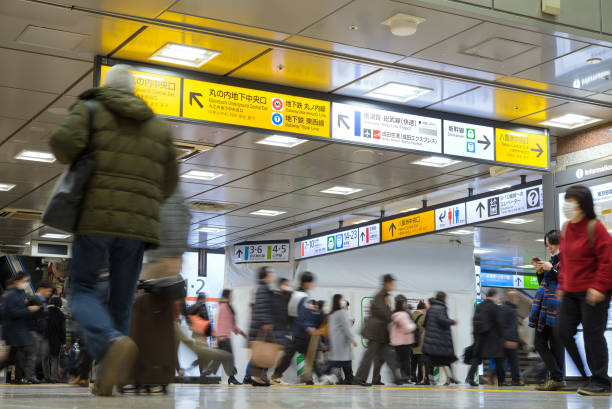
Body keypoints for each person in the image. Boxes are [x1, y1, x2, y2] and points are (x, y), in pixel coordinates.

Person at [49, 64, 178, 396]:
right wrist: (143, 203)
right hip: (137, 228)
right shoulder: (159, 127)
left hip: (95, 219)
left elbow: (63, 144)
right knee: (122, 300)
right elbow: (169, 182)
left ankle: (109, 342)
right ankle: (113, 372)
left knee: (82, 290)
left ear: (107, 86)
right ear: (134, 90)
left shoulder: (91, 109)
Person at [557, 185, 612, 396]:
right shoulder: (566, 228)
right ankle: (586, 376)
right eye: (566, 200)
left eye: (572, 201)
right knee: (563, 332)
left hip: (593, 292)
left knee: (592, 336)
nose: (567, 206)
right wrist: (562, 284)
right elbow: (565, 260)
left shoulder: (594, 227)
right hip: (570, 292)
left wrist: (599, 287)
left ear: (583, 204)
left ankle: (601, 381)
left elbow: (607, 261)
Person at [530, 229, 587, 391]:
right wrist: (540, 272)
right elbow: (546, 283)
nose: (550, 248)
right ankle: (556, 376)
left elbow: (566, 279)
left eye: (551, 245)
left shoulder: (567, 259)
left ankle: (557, 377)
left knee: (554, 344)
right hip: (547, 307)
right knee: (541, 343)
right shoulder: (554, 260)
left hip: (560, 306)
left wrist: (552, 270)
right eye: (548, 246)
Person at [354, 274, 405, 386]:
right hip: (375, 332)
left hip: (381, 333)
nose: (393, 285)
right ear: (386, 283)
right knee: (369, 355)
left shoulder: (384, 295)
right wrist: (395, 320)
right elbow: (383, 312)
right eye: (392, 283)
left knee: (389, 355)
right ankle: (359, 378)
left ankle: (397, 378)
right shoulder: (380, 295)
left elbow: (385, 313)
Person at [271, 272, 319, 385]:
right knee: (289, 355)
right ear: (306, 282)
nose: (312, 284)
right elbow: (300, 314)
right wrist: (308, 327)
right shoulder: (301, 296)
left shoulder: (299, 294)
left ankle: (307, 377)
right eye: (311, 282)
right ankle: (276, 376)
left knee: (308, 356)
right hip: (297, 332)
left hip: (299, 332)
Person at [0, 272, 40, 383]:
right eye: (25, 281)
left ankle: (18, 378)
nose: (26, 283)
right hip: (13, 331)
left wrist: (26, 306)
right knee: (14, 357)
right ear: (17, 281)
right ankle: (18, 378)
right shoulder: (10, 295)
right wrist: (28, 309)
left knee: (15, 357)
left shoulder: (20, 293)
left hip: (19, 331)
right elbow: (12, 313)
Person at [466, 289, 505, 387]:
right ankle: (501, 381)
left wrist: (475, 336)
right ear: (494, 296)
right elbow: (499, 323)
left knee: (477, 358)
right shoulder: (494, 307)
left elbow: (474, 321)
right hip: (493, 338)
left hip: (480, 337)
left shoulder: (479, 306)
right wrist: (502, 336)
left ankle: (470, 377)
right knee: (499, 359)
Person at [248, 267, 277, 386]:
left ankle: (258, 377)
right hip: (262, 327)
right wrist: (266, 322)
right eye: (272, 272)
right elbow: (263, 307)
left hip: (261, 325)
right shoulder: (263, 288)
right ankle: (256, 378)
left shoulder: (262, 287)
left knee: (263, 353)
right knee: (263, 353)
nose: (273, 275)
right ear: (266, 275)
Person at [422, 292, 459, 386]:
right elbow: (442, 320)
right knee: (447, 358)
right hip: (440, 339)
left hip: (430, 340)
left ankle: (429, 378)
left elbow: (424, 324)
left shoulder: (430, 309)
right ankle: (452, 377)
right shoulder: (442, 307)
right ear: (443, 298)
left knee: (430, 360)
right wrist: (452, 322)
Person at [212, 289, 247, 385]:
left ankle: (230, 377)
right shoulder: (224, 306)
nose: (233, 296)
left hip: (222, 337)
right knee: (227, 358)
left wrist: (240, 332)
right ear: (228, 295)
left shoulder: (225, 306)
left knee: (222, 359)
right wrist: (221, 336)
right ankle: (231, 377)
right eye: (231, 295)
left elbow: (230, 323)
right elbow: (221, 323)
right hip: (223, 337)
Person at [25, 280, 53, 383]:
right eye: (48, 291)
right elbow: (26, 311)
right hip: (34, 330)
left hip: (41, 331)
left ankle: (30, 374)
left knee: (42, 353)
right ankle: (30, 376)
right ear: (41, 289)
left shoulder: (43, 300)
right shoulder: (34, 298)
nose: (49, 293)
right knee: (33, 354)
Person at [327, 294, 357, 384]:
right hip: (341, 342)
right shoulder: (341, 313)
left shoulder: (333, 313)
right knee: (342, 362)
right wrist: (353, 340)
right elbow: (346, 328)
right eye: (342, 300)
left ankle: (345, 378)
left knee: (340, 362)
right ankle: (345, 378)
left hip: (336, 342)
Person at [389, 295, 416, 381]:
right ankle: (405, 377)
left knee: (398, 361)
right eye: (405, 302)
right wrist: (413, 325)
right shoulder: (403, 314)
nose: (406, 304)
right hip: (404, 341)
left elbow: (389, 327)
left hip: (395, 341)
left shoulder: (393, 314)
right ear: (402, 303)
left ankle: (399, 377)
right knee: (405, 361)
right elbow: (407, 328)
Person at [500, 291, 523, 386]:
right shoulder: (508, 309)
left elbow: (513, 327)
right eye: (517, 297)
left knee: (507, 361)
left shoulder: (508, 308)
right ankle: (515, 381)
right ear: (512, 298)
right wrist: (510, 340)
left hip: (509, 340)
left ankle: (505, 380)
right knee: (513, 362)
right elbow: (506, 326)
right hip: (509, 341)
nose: (518, 300)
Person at [47, 295, 66, 383]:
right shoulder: (61, 315)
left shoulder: (45, 311)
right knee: (54, 358)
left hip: (45, 338)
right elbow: (62, 329)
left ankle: (46, 376)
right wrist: (63, 341)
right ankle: (53, 378)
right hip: (56, 340)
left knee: (45, 359)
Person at [273, 278, 293, 349]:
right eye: (287, 285)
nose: (289, 287)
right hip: (282, 331)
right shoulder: (277, 297)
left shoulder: (276, 296)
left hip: (287, 331)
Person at [411, 301, 427, 384]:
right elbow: (423, 329)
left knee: (413, 361)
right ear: (423, 309)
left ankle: (412, 377)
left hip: (412, 341)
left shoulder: (412, 315)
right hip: (420, 342)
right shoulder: (423, 317)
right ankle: (420, 379)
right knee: (421, 362)